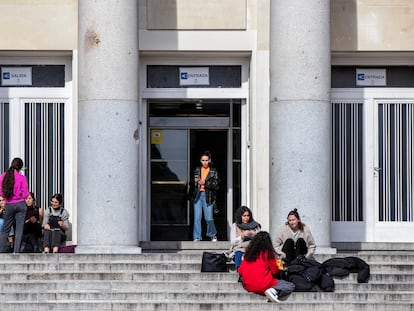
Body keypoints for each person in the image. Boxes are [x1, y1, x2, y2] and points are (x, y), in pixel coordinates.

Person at [238, 231, 295, 303]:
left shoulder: (248, 255)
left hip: (248, 286)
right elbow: (275, 271)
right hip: (264, 284)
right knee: (290, 285)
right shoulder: (268, 254)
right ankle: (273, 291)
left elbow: (240, 270)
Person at [0, 157, 29, 253]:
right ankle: (16, 251)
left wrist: (7, 198)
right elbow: (25, 194)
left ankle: (1, 250)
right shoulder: (22, 177)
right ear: (20, 167)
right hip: (20, 204)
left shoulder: (3, 176)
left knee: (5, 229)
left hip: (9, 204)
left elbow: (1, 192)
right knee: (19, 229)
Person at [191, 151, 220, 242]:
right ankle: (197, 236)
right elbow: (190, 183)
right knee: (197, 217)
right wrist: (194, 182)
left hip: (208, 196)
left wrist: (205, 183)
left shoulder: (213, 171)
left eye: (206, 160)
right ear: (200, 160)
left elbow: (216, 185)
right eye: (203, 160)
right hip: (197, 196)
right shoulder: (196, 170)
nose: (204, 162)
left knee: (209, 217)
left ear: (209, 160)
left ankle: (212, 235)